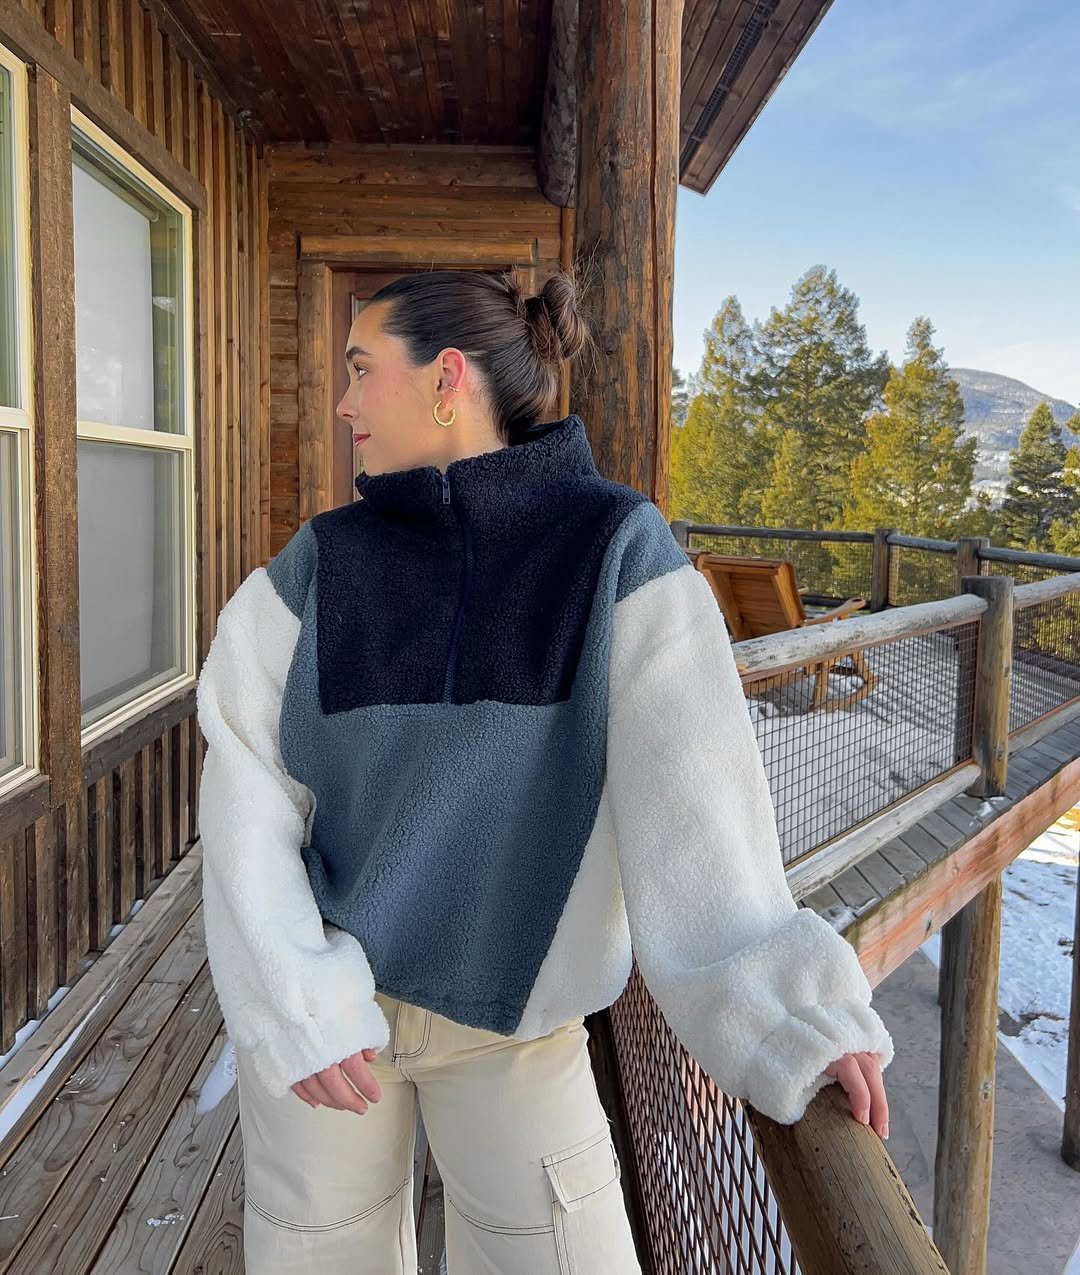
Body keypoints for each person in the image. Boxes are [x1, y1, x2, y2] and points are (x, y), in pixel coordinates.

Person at [195, 268, 893, 1274]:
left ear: (446, 379)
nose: (344, 402)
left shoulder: (615, 553)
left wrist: (796, 1018)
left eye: (360, 368)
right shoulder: (318, 564)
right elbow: (245, 790)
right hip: (328, 1025)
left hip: (518, 1030)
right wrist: (294, 1002)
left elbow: (699, 815)